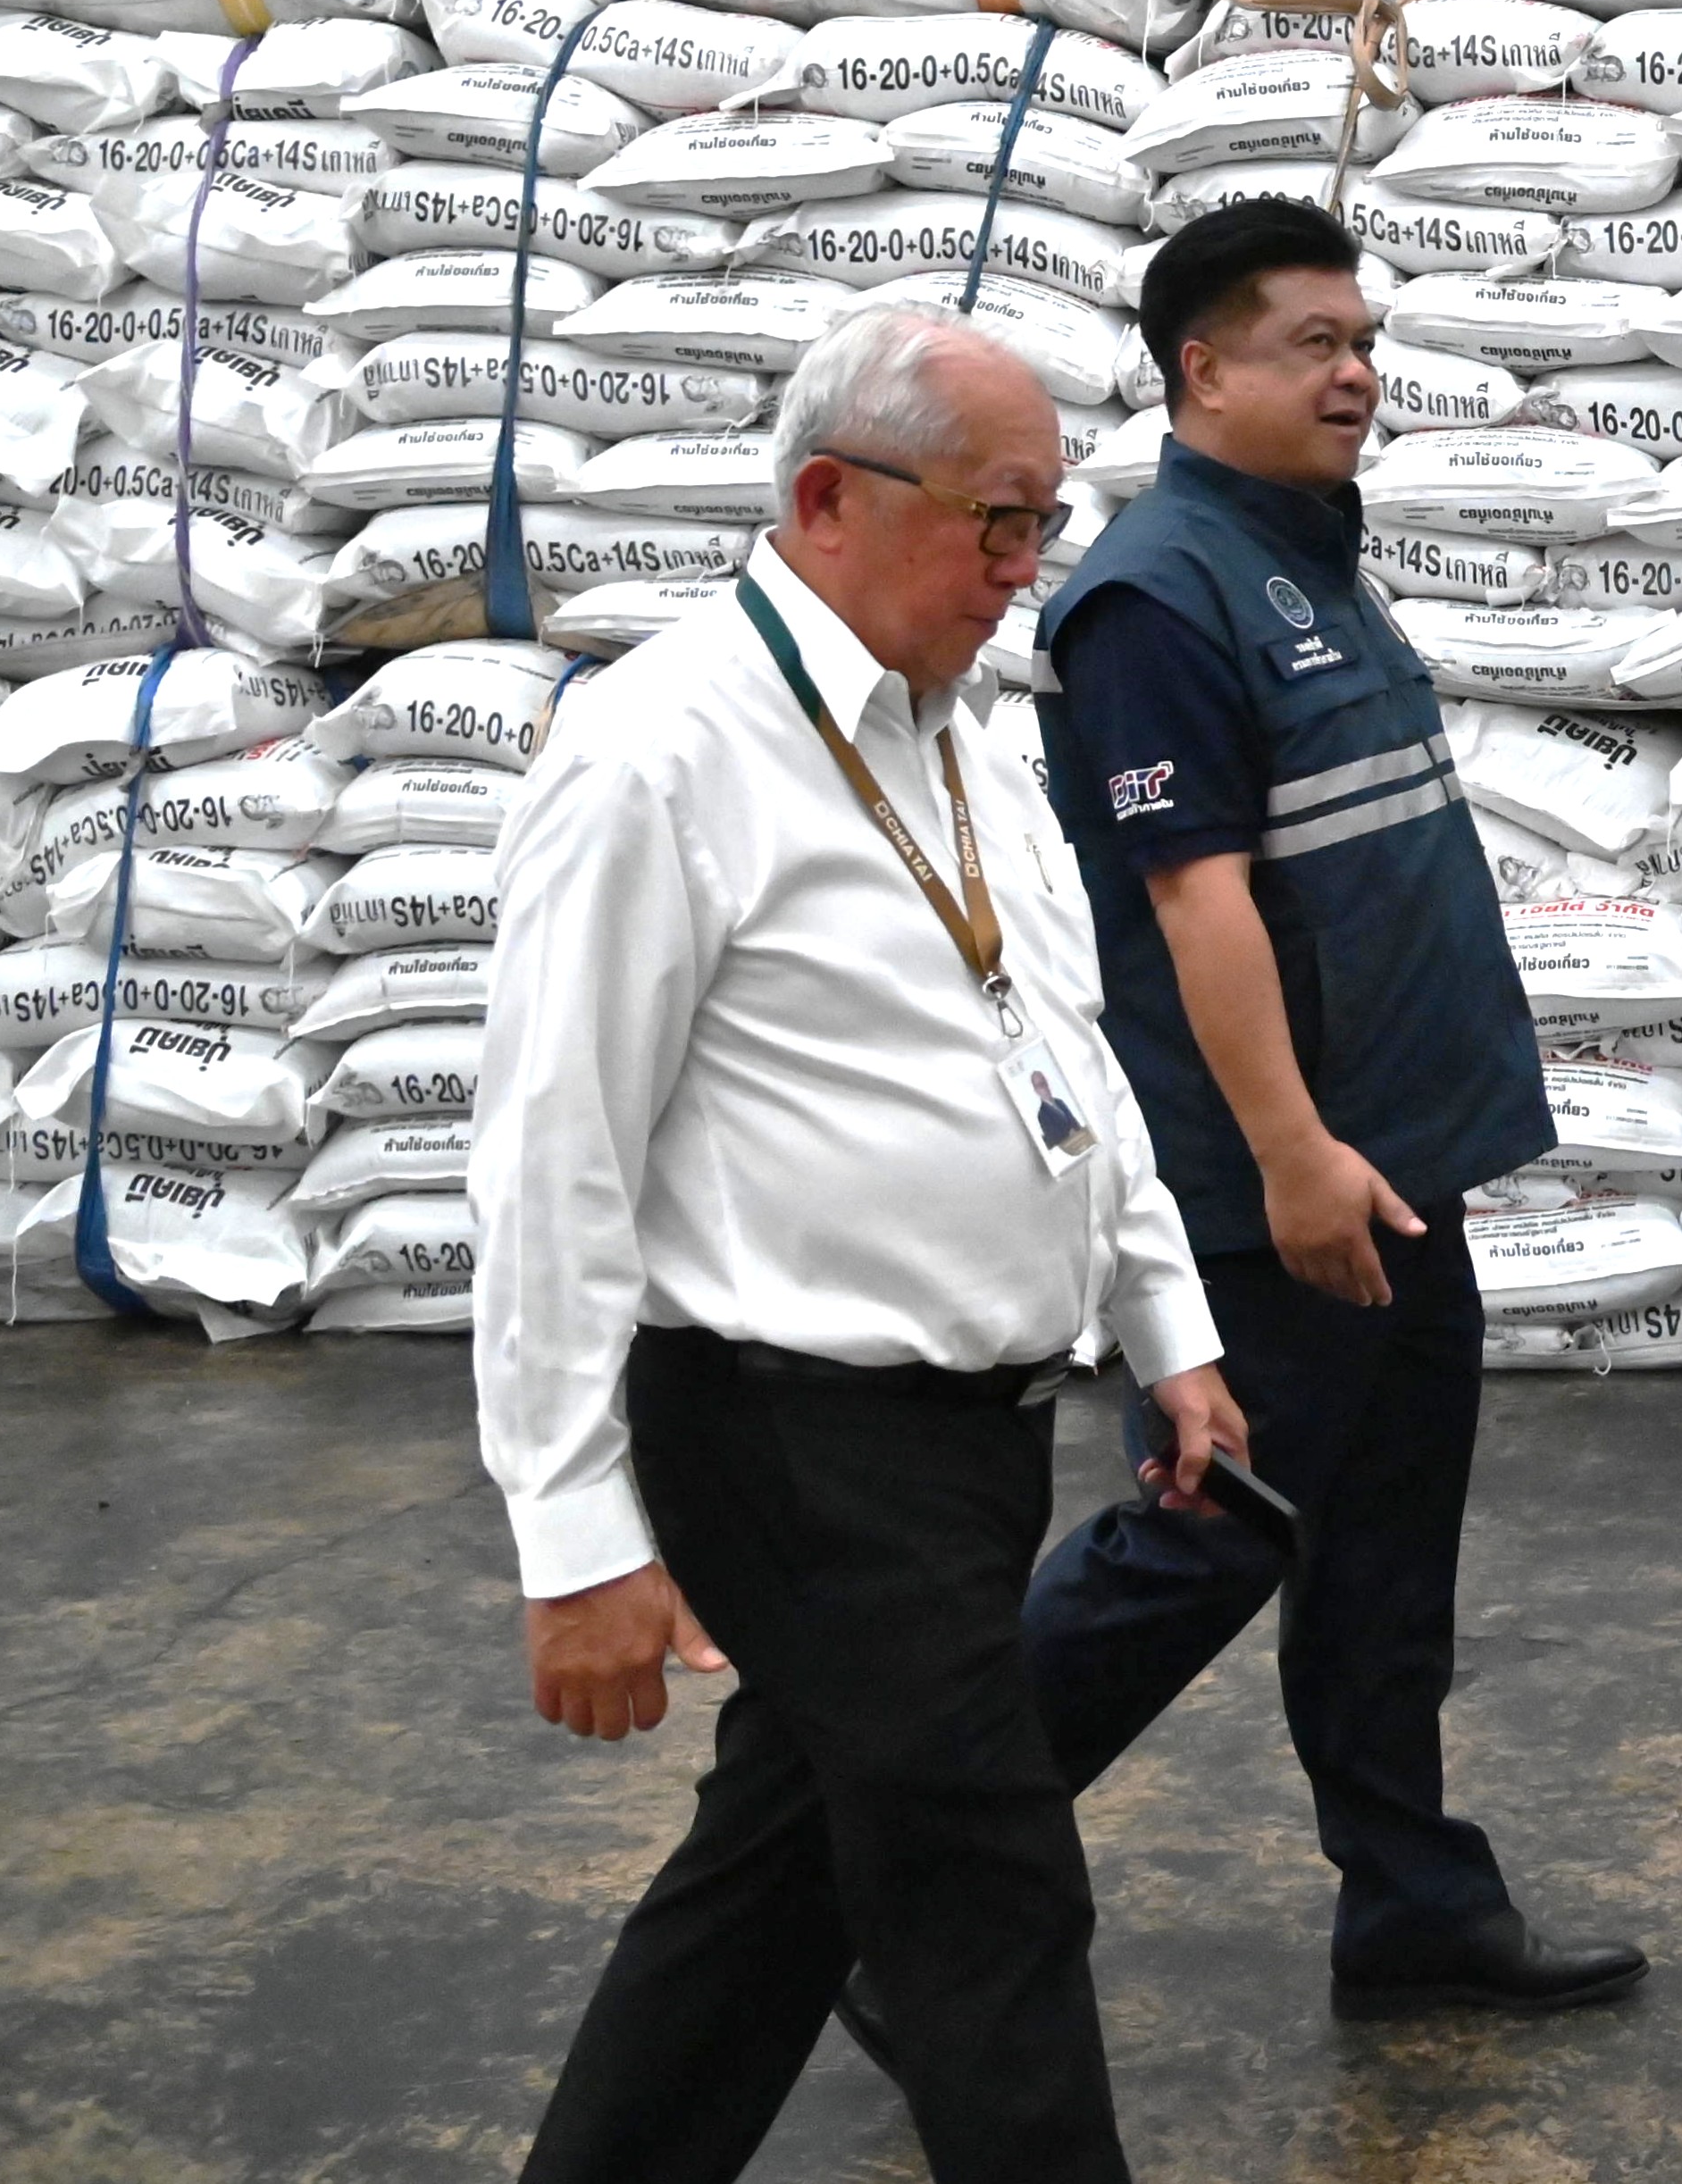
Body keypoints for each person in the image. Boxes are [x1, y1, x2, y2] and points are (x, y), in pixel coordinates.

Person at [475, 305, 1249, 2184]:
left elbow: (1064, 1056)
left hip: (975, 1438)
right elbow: (549, 1160)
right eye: (994, 523)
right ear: (828, 494)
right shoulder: (659, 754)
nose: (1019, 572)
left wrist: (1168, 1321)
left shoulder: (973, 744)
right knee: (989, 1899)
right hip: (795, 1437)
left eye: (1039, 529)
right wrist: (577, 1543)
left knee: (776, 1884)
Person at [1020, 194, 1646, 2014]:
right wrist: (1292, 1154)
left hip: (1397, 1162)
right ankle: (891, 1874)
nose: (1358, 372)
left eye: (1366, 342)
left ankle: (1413, 1901)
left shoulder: (1301, 548)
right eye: (1315, 343)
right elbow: (1193, 900)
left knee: (1382, 1553)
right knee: (1202, 1538)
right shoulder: (1153, 595)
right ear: (1202, 369)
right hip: (1274, 1179)